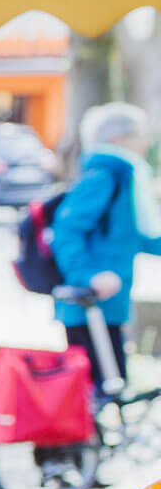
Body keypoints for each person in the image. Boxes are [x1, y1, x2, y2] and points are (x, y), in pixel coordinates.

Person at [51, 102, 161, 391]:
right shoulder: (103, 176)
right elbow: (66, 231)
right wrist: (88, 275)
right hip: (89, 303)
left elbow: (139, 236)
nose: (147, 143)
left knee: (113, 384)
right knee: (96, 389)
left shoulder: (127, 179)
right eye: (140, 135)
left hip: (111, 304)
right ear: (118, 139)